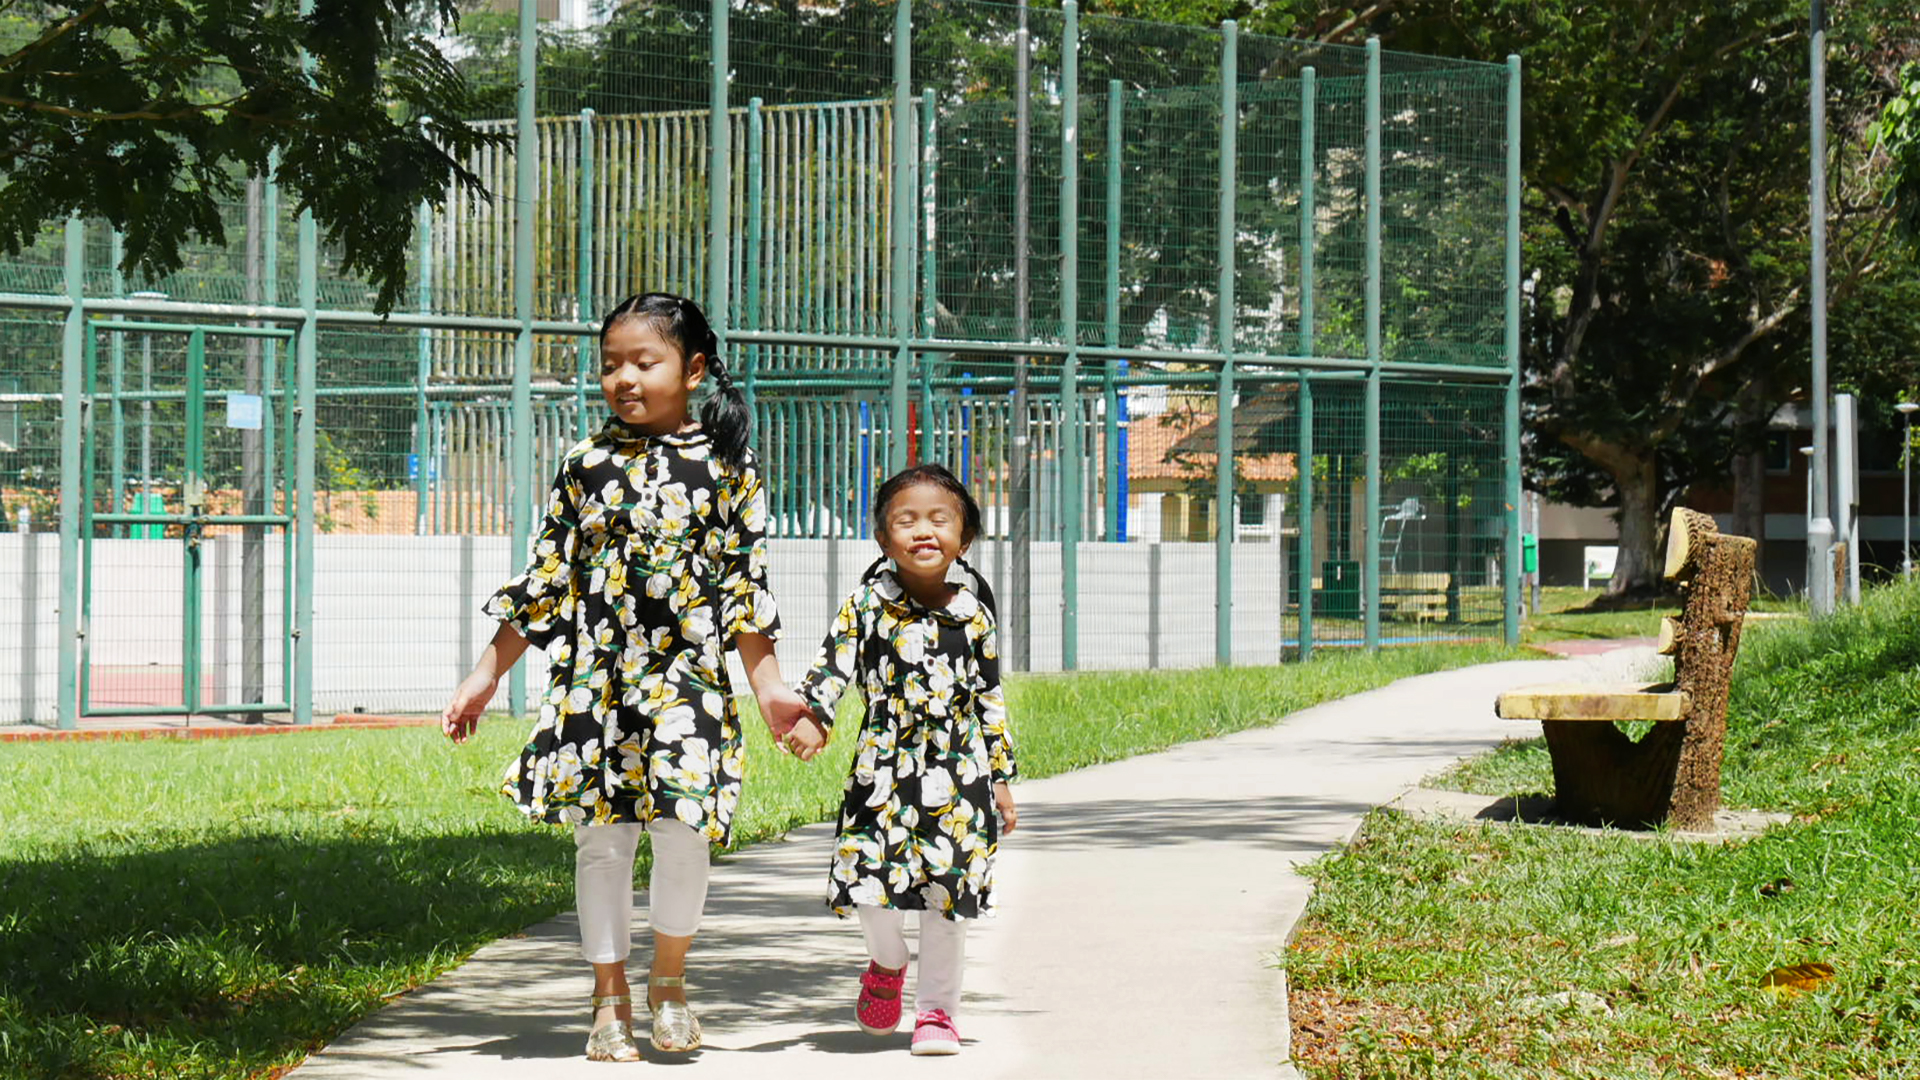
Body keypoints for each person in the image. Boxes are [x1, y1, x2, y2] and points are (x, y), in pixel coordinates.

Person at [441, 292, 811, 1063]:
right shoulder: (585, 465)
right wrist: (483, 676)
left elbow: (746, 591)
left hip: (686, 685)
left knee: (686, 835)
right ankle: (609, 998)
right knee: (602, 845)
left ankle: (668, 984)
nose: (624, 378)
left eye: (645, 361)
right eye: (611, 364)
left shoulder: (728, 468)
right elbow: (545, 581)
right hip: (595, 687)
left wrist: (772, 689)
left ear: (694, 368)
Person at [782, 462, 1019, 1057]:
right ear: (884, 538)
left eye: (940, 520)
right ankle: (887, 961)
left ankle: (937, 1012)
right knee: (867, 881)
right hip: (881, 768)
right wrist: (814, 716)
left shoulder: (974, 613)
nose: (923, 531)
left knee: (946, 897)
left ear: (964, 538)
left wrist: (1002, 781)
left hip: (960, 773)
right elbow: (833, 665)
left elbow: (989, 697)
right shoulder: (867, 603)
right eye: (905, 520)